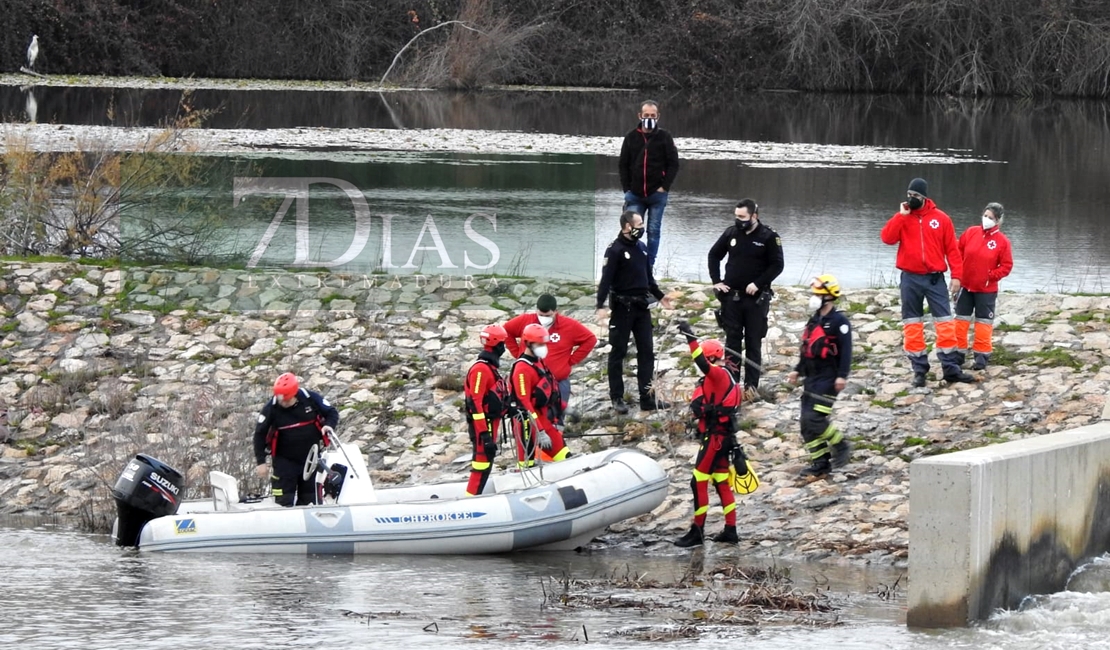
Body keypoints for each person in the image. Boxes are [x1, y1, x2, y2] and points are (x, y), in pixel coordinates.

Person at [880, 178, 973, 387]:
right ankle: (919, 370)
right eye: (909, 195)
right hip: (910, 278)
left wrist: (957, 276)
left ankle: (950, 368)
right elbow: (887, 238)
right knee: (912, 324)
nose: (911, 199)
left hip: (934, 278)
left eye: (916, 196)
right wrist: (900, 217)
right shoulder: (903, 218)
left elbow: (952, 250)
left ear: (924, 197)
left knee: (945, 322)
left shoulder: (941, 219)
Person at [596, 210, 674, 413]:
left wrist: (660, 296)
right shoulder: (614, 250)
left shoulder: (642, 248)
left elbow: (648, 278)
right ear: (627, 226)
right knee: (618, 353)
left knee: (647, 352)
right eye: (638, 224)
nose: (642, 228)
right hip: (622, 308)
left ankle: (647, 397)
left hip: (642, 309)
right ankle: (617, 398)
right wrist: (600, 306)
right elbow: (605, 280)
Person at [707, 198, 785, 401]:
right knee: (732, 343)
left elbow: (777, 265)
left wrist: (758, 283)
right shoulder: (731, 233)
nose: (738, 220)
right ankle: (731, 386)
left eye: (742, 217)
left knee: (753, 344)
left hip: (755, 300)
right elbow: (714, 255)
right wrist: (716, 281)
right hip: (732, 298)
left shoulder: (769, 236)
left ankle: (751, 388)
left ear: (754, 216)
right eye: (736, 216)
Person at [673, 322, 742, 547]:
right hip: (722, 437)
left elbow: (700, 362)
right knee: (721, 481)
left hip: (716, 439)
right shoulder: (724, 377)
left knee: (698, 481)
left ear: (711, 358)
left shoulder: (718, 375)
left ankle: (697, 532)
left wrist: (689, 336)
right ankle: (730, 530)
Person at [786, 275, 854, 478]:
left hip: (829, 378)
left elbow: (846, 351)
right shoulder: (814, 319)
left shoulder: (839, 322)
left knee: (814, 418)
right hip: (812, 378)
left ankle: (840, 445)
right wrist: (797, 370)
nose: (815, 297)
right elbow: (806, 347)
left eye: (819, 294)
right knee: (805, 425)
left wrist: (842, 376)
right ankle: (820, 463)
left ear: (829, 297)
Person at [504, 294, 597, 426]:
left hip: (558, 383)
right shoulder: (526, 321)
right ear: (536, 310)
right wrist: (518, 354)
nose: (544, 319)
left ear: (555, 312)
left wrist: (571, 361)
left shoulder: (569, 325)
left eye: (547, 316)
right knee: (530, 421)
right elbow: (506, 331)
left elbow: (590, 339)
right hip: (531, 384)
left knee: (556, 422)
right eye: (541, 315)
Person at [253, 372, 340, 507]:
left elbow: (332, 412)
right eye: (279, 398)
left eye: (285, 399)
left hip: (310, 460)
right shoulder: (272, 407)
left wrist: (329, 425)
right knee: (283, 500)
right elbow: (259, 434)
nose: (282, 402)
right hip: (284, 462)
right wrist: (261, 462)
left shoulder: (309, 398)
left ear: (294, 394)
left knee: (309, 499)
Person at [619, 99, 680, 267]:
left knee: (653, 231)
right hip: (635, 194)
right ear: (640, 115)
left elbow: (673, 164)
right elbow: (623, 164)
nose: (649, 118)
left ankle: (648, 266)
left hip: (656, 195)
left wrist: (664, 187)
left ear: (658, 117)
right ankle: (629, 263)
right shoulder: (631, 137)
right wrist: (627, 189)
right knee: (632, 229)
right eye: (646, 115)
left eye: (653, 115)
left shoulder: (665, 137)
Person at [956, 202, 1014, 371]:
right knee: (961, 321)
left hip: (986, 290)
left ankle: (981, 357)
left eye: (991, 218)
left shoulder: (1002, 242)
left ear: (998, 221)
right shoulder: (971, 232)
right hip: (965, 286)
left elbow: (1006, 266)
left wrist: (990, 276)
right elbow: (958, 251)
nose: (986, 219)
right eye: (985, 216)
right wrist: (958, 273)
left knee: (983, 324)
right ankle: (958, 354)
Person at [507, 323, 570, 467]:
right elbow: (524, 402)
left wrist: (565, 408)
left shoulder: (539, 363)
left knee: (565, 456)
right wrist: (540, 431)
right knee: (526, 465)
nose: (544, 347)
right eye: (540, 344)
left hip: (543, 420)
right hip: (527, 424)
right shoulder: (521, 369)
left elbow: (551, 393)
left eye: (544, 344)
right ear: (528, 343)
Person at [464, 324, 510, 496]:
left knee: (486, 463)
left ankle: (474, 498)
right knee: (481, 464)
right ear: (497, 345)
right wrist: (484, 434)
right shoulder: (481, 370)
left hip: (490, 423)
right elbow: (475, 402)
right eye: (503, 344)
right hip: (483, 425)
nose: (504, 348)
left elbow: (493, 397)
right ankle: (470, 502)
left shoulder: (490, 368)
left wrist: (508, 410)